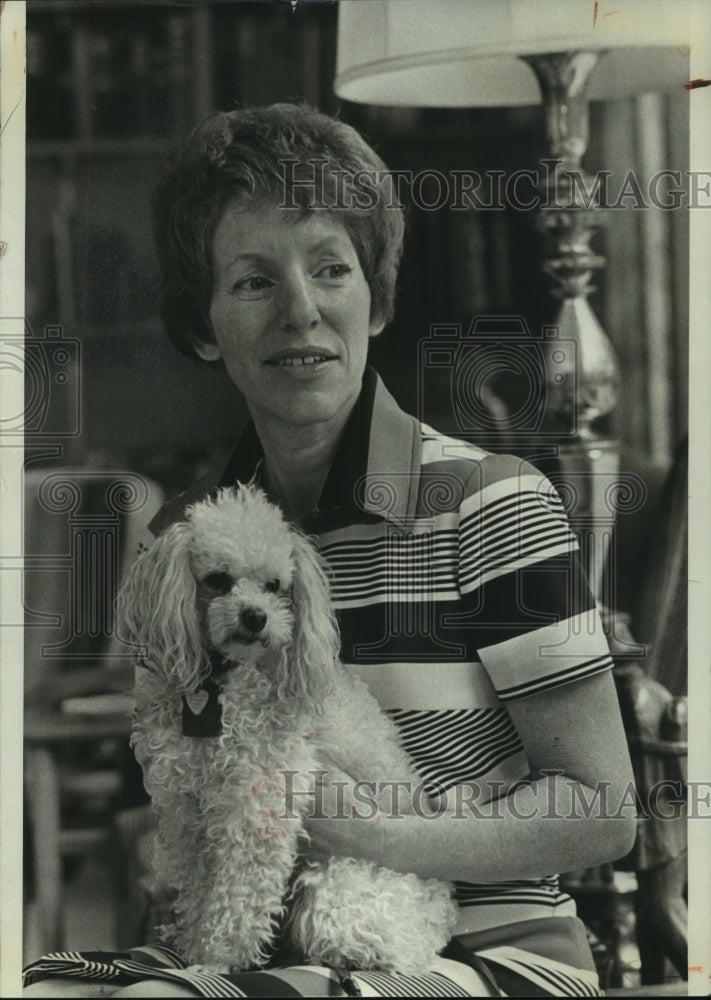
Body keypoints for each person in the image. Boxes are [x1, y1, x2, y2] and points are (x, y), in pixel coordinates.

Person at [24, 104, 637, 998]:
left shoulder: (490, 501)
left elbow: (603, 810)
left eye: (330, 270)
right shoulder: (187, 544)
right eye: (252, 281)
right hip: (269, 936)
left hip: (492, 949)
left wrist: (376, 834)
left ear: (375, 301)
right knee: (50, 985)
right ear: (202, 328)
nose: (301, 311)